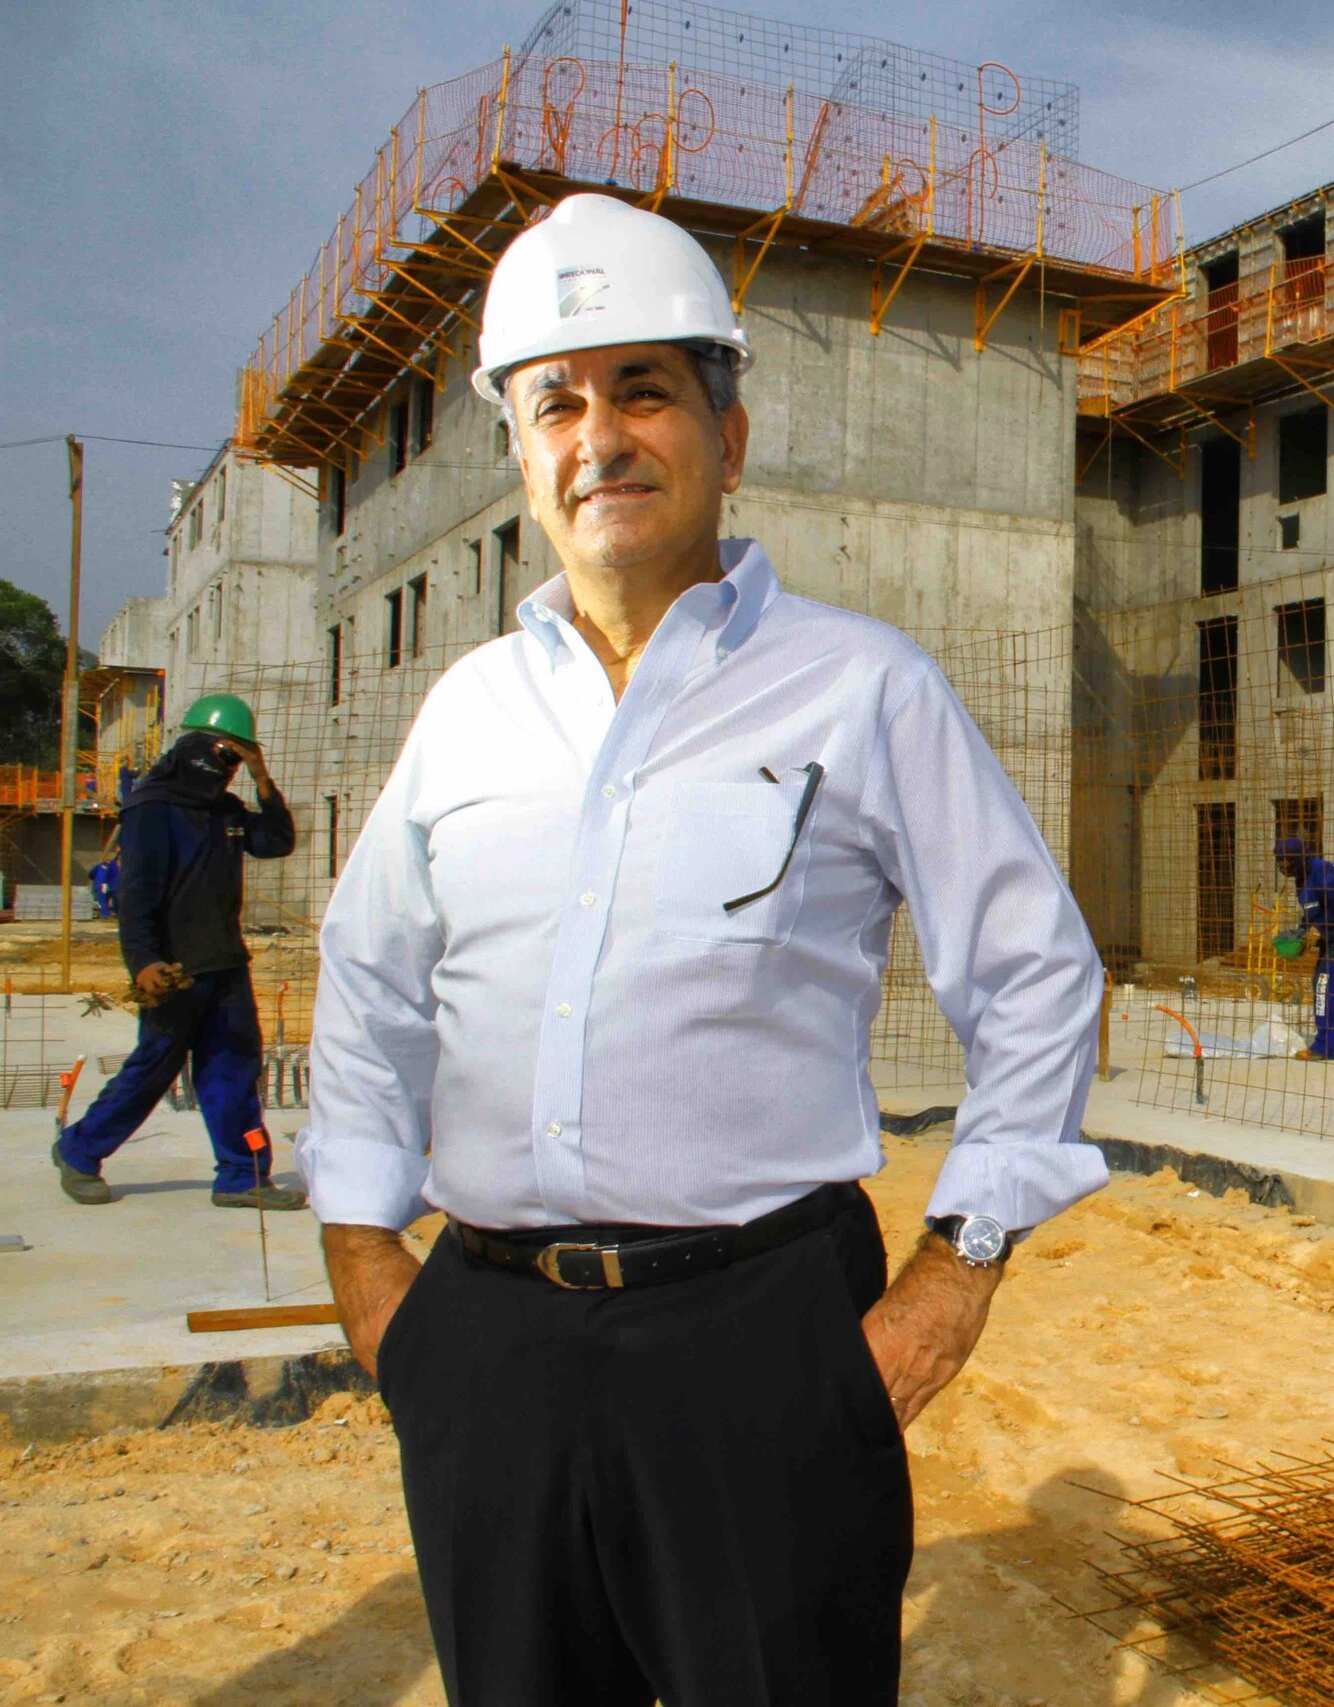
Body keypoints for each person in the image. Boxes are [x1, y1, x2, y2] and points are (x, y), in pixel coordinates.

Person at [299, 193, 1104, 1705]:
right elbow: (371, 981)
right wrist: (365, 1258)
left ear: (728, 438)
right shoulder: (467, 710)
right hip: (483, 1347)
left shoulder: (862, 688)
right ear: (524, 456)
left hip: (763, 1348)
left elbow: (1037, 973)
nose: (598, 434)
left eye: (643, 389)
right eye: (556, 402)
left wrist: (955, 1270)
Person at [51, 696, 299, 1210]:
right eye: (223, 754)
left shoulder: (226, 812)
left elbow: (275, 841)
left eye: (236, 758)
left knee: (232, 1066)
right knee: (153, 1069)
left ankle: (241, 1175)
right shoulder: (151, 808)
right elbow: (136, 894)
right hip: (174, 969)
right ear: (192, 750)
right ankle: (78, 1151)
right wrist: (142, 961)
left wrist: (262, 777)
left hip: (225, 963)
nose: (225, 767)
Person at [1276, 835, 1334, 1059]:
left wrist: (1318, 932)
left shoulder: (1324, 873)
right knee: (1332, 987)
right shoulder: (1302, 878)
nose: (1282, 867)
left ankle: (1324, 1047)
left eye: (1286, 862)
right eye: (1279, 862)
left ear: (1298, 859)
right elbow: (1313, 912)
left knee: (1324, 987)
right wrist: (1301, 934)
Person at [89, 847, 119, 921]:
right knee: (112, 899)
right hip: (110, 886)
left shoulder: (100, 866)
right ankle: (111, 914)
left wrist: (95, 880)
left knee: (103, 900)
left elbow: (91, 874)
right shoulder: (113, 866)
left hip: (102, 885)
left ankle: (106, 915)